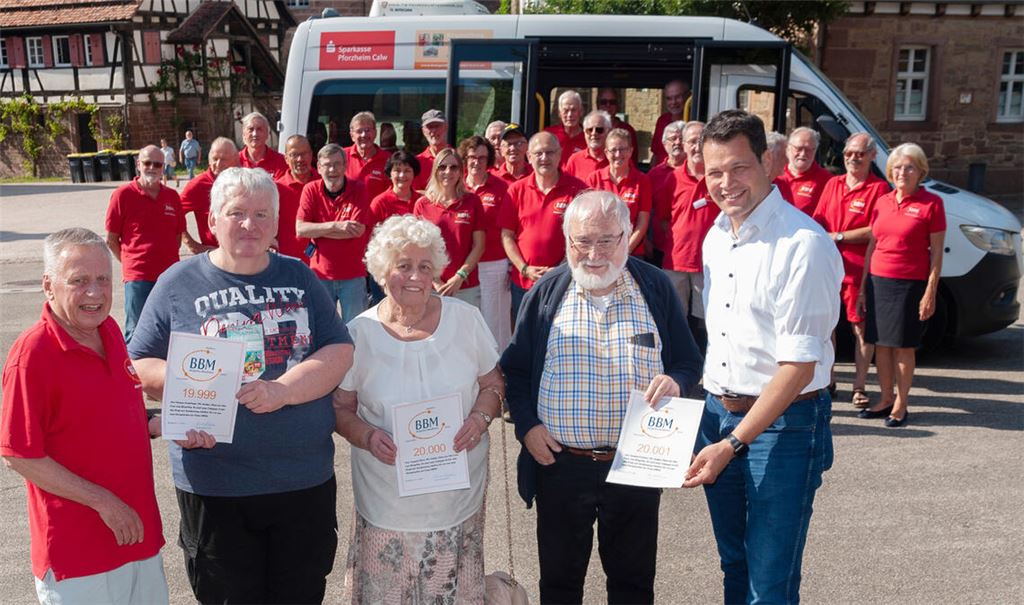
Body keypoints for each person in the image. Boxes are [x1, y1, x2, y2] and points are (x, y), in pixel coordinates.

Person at [129, 167, 354, 604]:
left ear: (275, 223)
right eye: (236, 213)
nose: (249, 224)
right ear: (211, 221)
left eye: (261, 214)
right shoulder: (177, 283)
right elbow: (137, 364)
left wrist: (283, 391)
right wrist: (195, 391)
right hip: (216, 485)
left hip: (301, 482)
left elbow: (339, 351)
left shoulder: (300, 277)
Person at [501, 191, 702, 604]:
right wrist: (527, 427)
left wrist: (677, 382)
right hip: (560, 464)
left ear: (627, 236)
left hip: (636, 464)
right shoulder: (546, 293)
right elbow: (516, 370)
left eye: (606, 240)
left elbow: (687, 361)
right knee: (558, 585)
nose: (593, 253)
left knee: (632, 584)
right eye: (582, 241)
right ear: (566, 240)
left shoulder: (655, 287)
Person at [683, 110, 842, 605]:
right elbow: (727, 340)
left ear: (768, 163)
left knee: (768, 584)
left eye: (739, 167)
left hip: (785, 427)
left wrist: (731, 442)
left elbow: (798, 366)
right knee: (736, 565)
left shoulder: (803, 245)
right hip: (719, 414)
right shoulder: (715, 236)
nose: (726, 183)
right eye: (714, 172)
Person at [1, 228, 177, 604]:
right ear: (49, 286)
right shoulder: (33, 354)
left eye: (102, 279)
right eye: (79, 281)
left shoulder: (110, 331)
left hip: (137, 539)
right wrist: (105, 503)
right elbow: (18, 453)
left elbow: (108, 412)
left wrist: (156, 423)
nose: (95, 293)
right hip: (78, 556)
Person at [334, 215, 504, 604]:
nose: (415, 276)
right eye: (403, 265)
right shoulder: (358, 335)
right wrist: (367, 436)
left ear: (436, 273)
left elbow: (493, 384)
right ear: (381, 272)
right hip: (386, 504)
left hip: (457, 502)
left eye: (424, 266)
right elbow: (341, 407)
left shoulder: (466, 319)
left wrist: (479, 420)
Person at [856, 143, 945, 428]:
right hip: (878, 281)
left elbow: (936, 254)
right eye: (896, 167)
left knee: (904, 347)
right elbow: (873, 244)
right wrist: (862, 286)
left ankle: (901, 404)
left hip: (910, 285)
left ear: (921, 171)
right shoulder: (882, 200)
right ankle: (884, 398)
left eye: (909, 167)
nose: (901, 172)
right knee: (881, 345)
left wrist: (930, 292)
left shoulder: (932, 204)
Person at [813, 133, 890, 408]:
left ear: (872, 156)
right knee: (827, 325)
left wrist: (840, 237)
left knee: (860, 328)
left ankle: (859, 386)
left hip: (859, 270)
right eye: (849, 153)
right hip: (829, 267)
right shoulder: (833, 184)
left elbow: (876, 229)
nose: (853, 158)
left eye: (859, 153)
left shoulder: (879, 189)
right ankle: (828, 379)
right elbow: (818, 219)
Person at [499, 132, 587, 317]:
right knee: (525, 338)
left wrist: (562, 268)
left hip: (564, 280)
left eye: (549, 152)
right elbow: (507, 236)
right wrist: (524, 268)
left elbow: (583, 237)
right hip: (524, 283)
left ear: (559, 154)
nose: (544, 158)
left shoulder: (578, 190)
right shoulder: (516, 190)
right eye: (538, 153)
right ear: (529, 157)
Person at [104, 145, 184, 342]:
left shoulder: (172, 197)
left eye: (157, 164)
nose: (152, 168)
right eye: (147, 163)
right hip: (138, 277)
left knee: (171, 327)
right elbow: (111, 239)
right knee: (136, 330)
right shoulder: (122, 195)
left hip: (169, 276)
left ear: (163, 167)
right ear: (138, 164)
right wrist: (130, 263)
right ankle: (132, 372)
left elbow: (177, 235)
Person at [296, 143, 373, 322]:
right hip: (320, 275)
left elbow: (357, 231)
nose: (333, 170)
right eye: (327, 165)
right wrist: (336, 227)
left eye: (337, 164)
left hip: (353, 276)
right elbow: (300, 229)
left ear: (345, 166)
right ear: (319, 168)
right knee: (322, 329)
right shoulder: (311, 190)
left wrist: (317, 229)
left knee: (355, 330)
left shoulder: (359, 188)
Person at [413, 148, 486, 307]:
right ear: (435, 171)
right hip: (431, 285)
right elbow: (418, 248)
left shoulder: (472, 201)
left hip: (465, 285)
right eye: (442, 167)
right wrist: (435, 280)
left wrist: (460, 276)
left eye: (454, 167)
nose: (448, 171)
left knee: (465, 332)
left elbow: (479, 246)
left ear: (461, 171)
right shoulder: (422, 204)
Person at [461, 135, 513, 348]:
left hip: (494, 264)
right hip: (465, 265)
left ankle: (500, 373)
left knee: (496, 323)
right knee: (467, 322)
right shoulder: (457, 185)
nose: (477, 162)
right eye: (472, 157)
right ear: (465, 159)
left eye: (482, 158)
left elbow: (510, 229)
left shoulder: (501, 188)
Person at [661, 121, 715, 321]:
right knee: (675, 319)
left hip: (708, 262)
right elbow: (664, 218)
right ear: (683, 145)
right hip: (677, 261)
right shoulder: (673, 179)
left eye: (701, 140)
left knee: (707, 322)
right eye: (692, 141)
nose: (697, 146)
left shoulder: (717, 177)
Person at [585, 127, 651, 256]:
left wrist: (625, 250)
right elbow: (589, 220)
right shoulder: (594, 179)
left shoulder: (642, 181)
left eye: (623, 149)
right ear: (606, 152)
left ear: (631, 151)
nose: (618, 155)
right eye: (613, 150)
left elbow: (642, 223)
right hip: (600, 252)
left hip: (632, 252)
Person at [180, 137, 239, 254]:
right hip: (215, 254)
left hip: (245, 252)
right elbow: (174, 215)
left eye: (224, 159)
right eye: (215, 159)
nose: (218, 164)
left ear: (236, 159)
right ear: (209, 160)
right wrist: (192, 244)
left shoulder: (244, 180)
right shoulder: (198, 185)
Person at [647, 120, 687, 265]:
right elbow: (646, 212)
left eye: (681, 139)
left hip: (687, 251)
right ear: (664, 144)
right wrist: (646, 241)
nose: (677, 142)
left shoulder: (698, 173)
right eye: (672, 139)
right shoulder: (653, 175)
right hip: (659, 247)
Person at [275, 134, 318, 261]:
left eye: (304, 154)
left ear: (311, 155)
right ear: (286, 158)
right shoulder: (276, 189)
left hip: (321, 265)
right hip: (287, 265)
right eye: (294, 155)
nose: (300, 159)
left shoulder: (324, 185)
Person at [777, 126, 832, 216]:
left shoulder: (827, 181)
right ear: (788, 148)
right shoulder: (775, 173)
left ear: (815, 150)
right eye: (798, 148)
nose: (803, 154)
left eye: (808, 150)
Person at [346, 111, 392, 201]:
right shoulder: (341, 156)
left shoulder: (389, 159)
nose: (364, 135)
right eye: (359, 131)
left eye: (368, 130)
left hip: (377, 214)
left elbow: (391, 193)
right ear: (352, 135)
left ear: (375, 132)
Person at [370, 150, 420, 223]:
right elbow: (371, 232)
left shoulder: (422, 201)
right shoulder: (380, 203)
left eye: (407, 171)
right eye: (397, 170)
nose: (402, 175)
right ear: (390, 174)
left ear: (414, 174)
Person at [650, 79, 690, 166]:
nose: (673, 102)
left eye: (678, 97)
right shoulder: (662, 121)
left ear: (688, 96)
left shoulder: (693, 123)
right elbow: (656, 154)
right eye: (669, 98)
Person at [238, 111, 289, 178]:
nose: (255, 134)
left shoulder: (281, 161)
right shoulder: (235, 160)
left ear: (267, 134)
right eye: (251, 129)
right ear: (244, 134)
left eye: (259, 129)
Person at [595, 88, 639, 164]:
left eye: (612, 102)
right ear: (598, 105)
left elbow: (633, 161)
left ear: (617, 105)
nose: (608, 105)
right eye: (604, 102)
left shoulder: (627, 130)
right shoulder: (591, 130)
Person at [564, 109, 611, 180]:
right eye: (589, 130)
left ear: (608, 132)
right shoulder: (574, 160)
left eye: (599, 130)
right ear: (584, 133)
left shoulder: (617, 158)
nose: (594, 133)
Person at [545, 90, 586, 165]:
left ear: (581, 112)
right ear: (559, 113)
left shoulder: (589, 136)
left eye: (573, 110)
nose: (569, 115)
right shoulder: (549, 135)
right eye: (565, 111)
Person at [412, 109, 450, 191]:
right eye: (429, 127)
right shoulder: (417, 162)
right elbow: (414, 193)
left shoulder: (458, 158)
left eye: (437, 126)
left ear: (446, 127)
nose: (433, 131)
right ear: (423, 131)